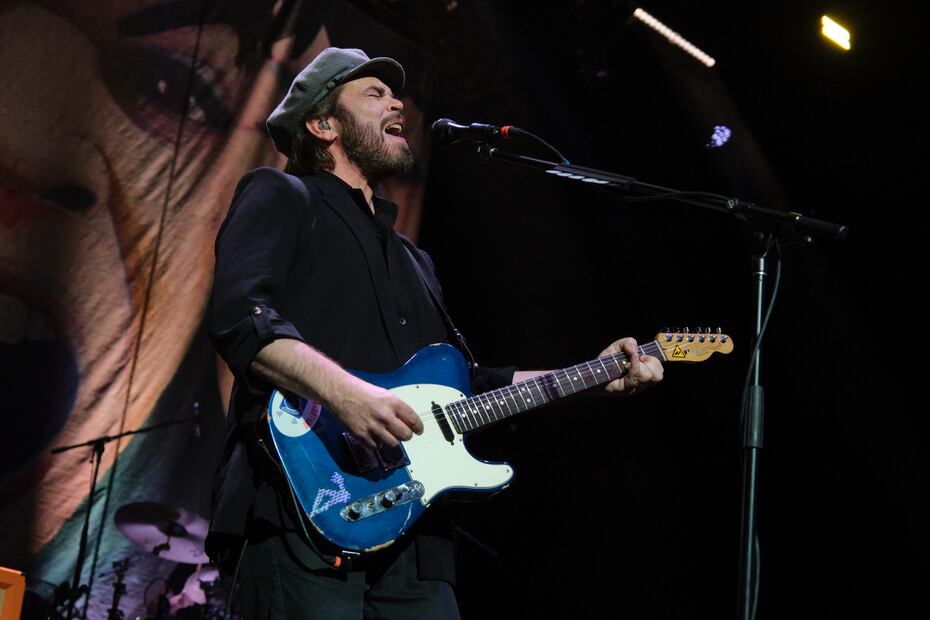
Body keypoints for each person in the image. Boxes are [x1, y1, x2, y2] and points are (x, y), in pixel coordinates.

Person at [206, 47, 664, 619]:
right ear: (323, 125)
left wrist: (593, 378)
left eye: (394, 94)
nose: (397, 102)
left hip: (417, 542)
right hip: (300, 512)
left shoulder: (414, 261)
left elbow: (464, 383)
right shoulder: (282, 195)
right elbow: (240, 315)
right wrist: (347, 394)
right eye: (373, 94)